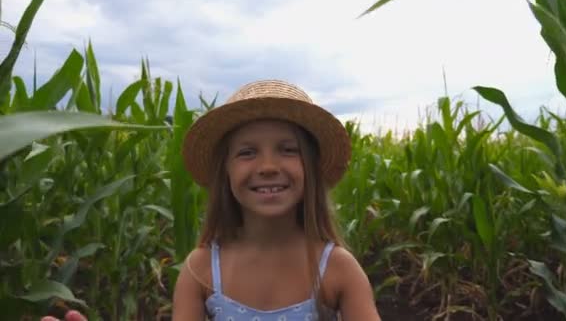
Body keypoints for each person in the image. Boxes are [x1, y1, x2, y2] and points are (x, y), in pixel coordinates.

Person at [42, 80, 380, 321]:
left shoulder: (338, 269)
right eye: (247, 153)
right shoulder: (201, 270)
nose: (267, 167)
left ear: (310, 167)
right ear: (225, 173)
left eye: (288, 150)